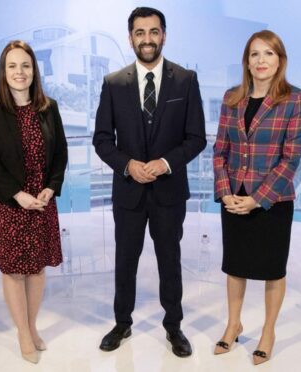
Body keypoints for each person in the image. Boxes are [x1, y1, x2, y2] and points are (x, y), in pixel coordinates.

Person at [92, 7, 206, 357]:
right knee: (125, 259)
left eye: (153, 32)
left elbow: (196, 137)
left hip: (169, 192)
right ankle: (122, 322)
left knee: (169, 259)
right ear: (131, 38)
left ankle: (174, 326)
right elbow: (101, 139)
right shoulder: (113, 83)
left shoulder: (186, 80)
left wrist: (164, 163)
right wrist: (128, 165)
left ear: (164, 35)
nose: (147, 39)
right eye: (140, 33)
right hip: (128, 192)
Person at [212, 30, 301, 365]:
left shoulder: (294, 99)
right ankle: (233, 323)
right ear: (246, 61)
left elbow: (290, 158)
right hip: (234, 197)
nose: (261, 61)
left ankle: (268, 331)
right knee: (235, 266)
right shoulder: (231, 98)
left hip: (273, 201)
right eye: (254, 54)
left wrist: (258, 198)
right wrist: (225, 192)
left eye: (268, 53)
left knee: (272, 269)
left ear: (280, 60)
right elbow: (219, 151)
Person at [0, 40, 68, 364]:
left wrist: (50, 188)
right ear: (4, 71)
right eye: (12, 66)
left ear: (34, 70)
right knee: (14, 271)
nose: (19, 72)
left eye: (25, 66)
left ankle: (31, 325)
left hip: (41, 203)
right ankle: (22, 333)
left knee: (38, 269)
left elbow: (60, 155)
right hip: (8, 204)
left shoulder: (48, 107)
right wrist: (18, 193)